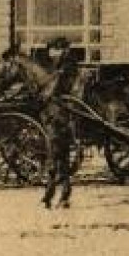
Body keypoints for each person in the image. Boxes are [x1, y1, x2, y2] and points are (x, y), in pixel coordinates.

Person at [41, 37, 80, 209]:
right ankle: (63, 194)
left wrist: (45, 95)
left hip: (66, 113)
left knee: (55, 153)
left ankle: (51, 192)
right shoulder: (60, 65)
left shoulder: (67, 65)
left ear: (62, 49)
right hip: (64, 111)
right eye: (50, 49)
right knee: (60, 155)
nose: (50, 53)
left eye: (53, 49)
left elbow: (56, 86)